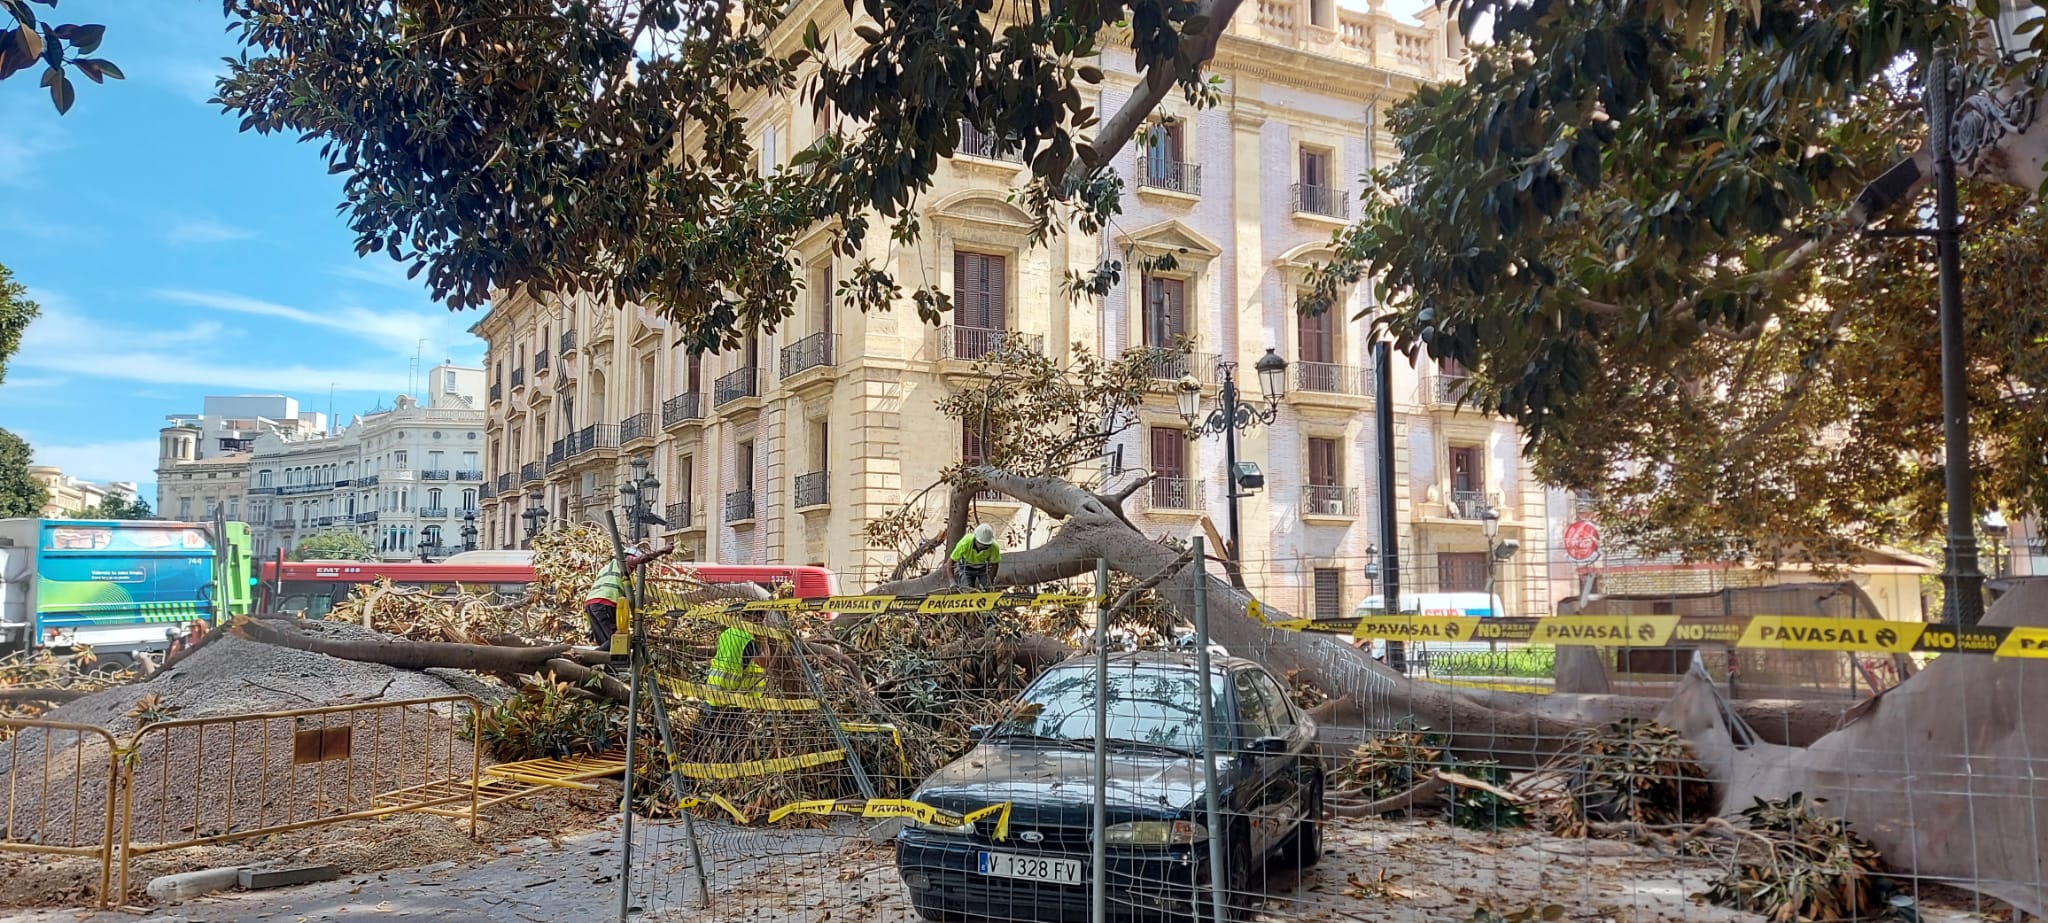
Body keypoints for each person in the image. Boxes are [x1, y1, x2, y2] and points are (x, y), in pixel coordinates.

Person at [583, 541, 675, 656]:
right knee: (615, 639)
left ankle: (604, 669)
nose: (634, 569)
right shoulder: (623, 562)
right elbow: (641, 559)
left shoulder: (606, 568)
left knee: (605, 642)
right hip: (605, 602)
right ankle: (586, 658)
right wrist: (662, 551)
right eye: (634, 567)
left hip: (591, 603)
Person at [706, 625, 767, 692]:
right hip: (735, 697)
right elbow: (765, 662)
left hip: (713, 689)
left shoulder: (726, 633)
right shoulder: (749, 641)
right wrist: (764, 641)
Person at [949, 524, 1002, 590]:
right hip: (966, 568)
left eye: (986, 546)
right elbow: (951, 561)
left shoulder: (994, 546)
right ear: (975, 540)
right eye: (981, 545)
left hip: (983, 568)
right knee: (966, 590)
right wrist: (952, 580)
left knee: (988, 589)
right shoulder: (965, 543)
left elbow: (995, 565)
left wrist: (990, 581)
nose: (983, 548)